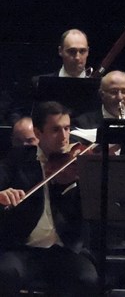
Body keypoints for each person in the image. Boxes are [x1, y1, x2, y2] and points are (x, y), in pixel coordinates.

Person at [0, 101, 99, 297]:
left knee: (88, 279)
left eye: (67, 128)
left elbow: (88, 213)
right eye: (55, 130)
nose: (64, 137)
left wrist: (81, 183)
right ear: (37, 133)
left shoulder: (79, 164)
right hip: (24, 249)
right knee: (5, 273)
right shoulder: (17, 159)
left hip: (64, 249)